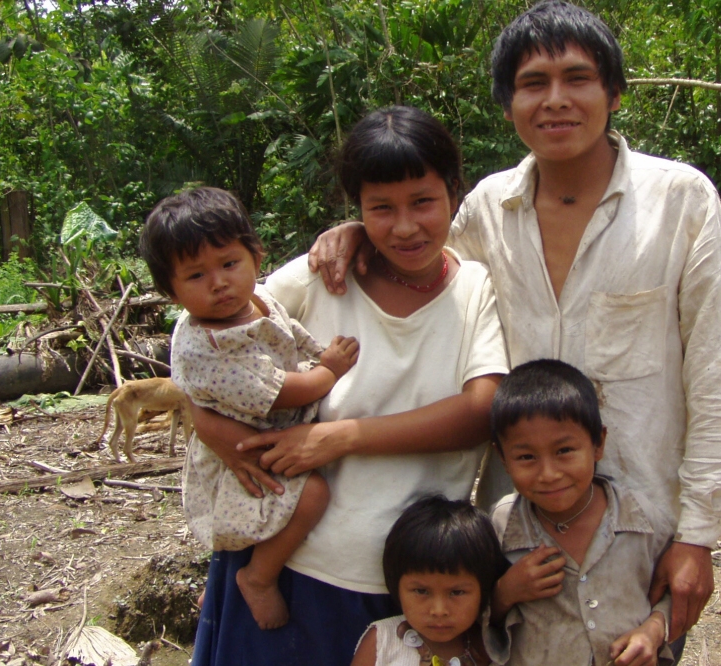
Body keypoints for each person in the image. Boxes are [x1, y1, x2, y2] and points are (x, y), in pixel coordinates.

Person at [308, 0, 721, 650]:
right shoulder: (488, 210)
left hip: (641, 542)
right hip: (518, 550)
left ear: (615, 93)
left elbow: (714, 377)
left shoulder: (679, 202)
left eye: (577, 78)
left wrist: (699, 537)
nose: (556, 100)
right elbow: (425, 269)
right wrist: (359, 235)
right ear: (508, 103)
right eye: (533, 84)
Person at [187, 106, 510, 666]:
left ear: (455, 196)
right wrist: (209, 426)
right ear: (355, 208)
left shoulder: (476, 287)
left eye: (423, 202)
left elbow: (480, 412)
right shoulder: (321, 277)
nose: (404, 226)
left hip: (416, 590)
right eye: (380, 208)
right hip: (287, 566)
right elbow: (199, 342)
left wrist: (340, 437)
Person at [140, 187, 360, 630]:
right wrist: (328, 372)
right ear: (171, 291)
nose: (219, 282)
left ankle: (221, 586)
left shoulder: (253, 299)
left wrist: (315, 350)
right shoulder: (211, 345)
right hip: (245, 450)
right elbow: (278, 392)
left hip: (264, 429)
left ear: (256, 258)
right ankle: (258, 577)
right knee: (312, 493)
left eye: (228, 264)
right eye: (196, 276)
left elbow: (287, 331)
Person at [488, 359, 674, 666]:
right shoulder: (502, 526)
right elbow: (469, 606)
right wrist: (505, 593)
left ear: (598, 444)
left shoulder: (639, 518)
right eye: (526, 457)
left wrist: (653, 631)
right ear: (503, 459)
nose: (548, 474)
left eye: (564, 451)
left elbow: (674, 591)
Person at [351, 496, 509, 666]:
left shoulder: (491, 647)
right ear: (396, 586)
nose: (439, 611)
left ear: (484, 589)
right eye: (421, 591)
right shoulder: (382, 640)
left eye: (456, 592)